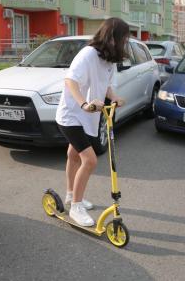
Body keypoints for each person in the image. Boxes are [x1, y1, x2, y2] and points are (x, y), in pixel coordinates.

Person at [55, 18, 128, 226]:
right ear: (112, 37)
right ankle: (76, 208)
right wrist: (84, 104)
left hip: (87, 116)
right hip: (71, 115)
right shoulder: (88, 54)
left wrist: (113, 97)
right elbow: (70, 80)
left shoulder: (109, 60)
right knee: (90, 160)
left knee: (73, 154)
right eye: (123, 38)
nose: (125, 43)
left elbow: (105, 85)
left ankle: (71, 195)